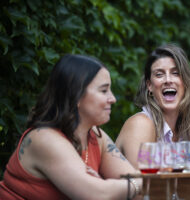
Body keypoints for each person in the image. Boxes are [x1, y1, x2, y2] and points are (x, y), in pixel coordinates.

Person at [0, 54, 142, 199]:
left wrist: (108, 186)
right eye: (104, 91)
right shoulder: (45, 139)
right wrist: (130, 185)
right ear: (76, 96)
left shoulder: (95, 135)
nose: (113, 99)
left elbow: (137, 185)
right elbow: (97, 195)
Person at [116, 43, 190, 199]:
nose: (167, 80)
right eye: (159, 74)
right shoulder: (141, 124)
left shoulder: (187, 132)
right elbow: (140, 194)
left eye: (175, 73)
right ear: (149, 86)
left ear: (185, 83)